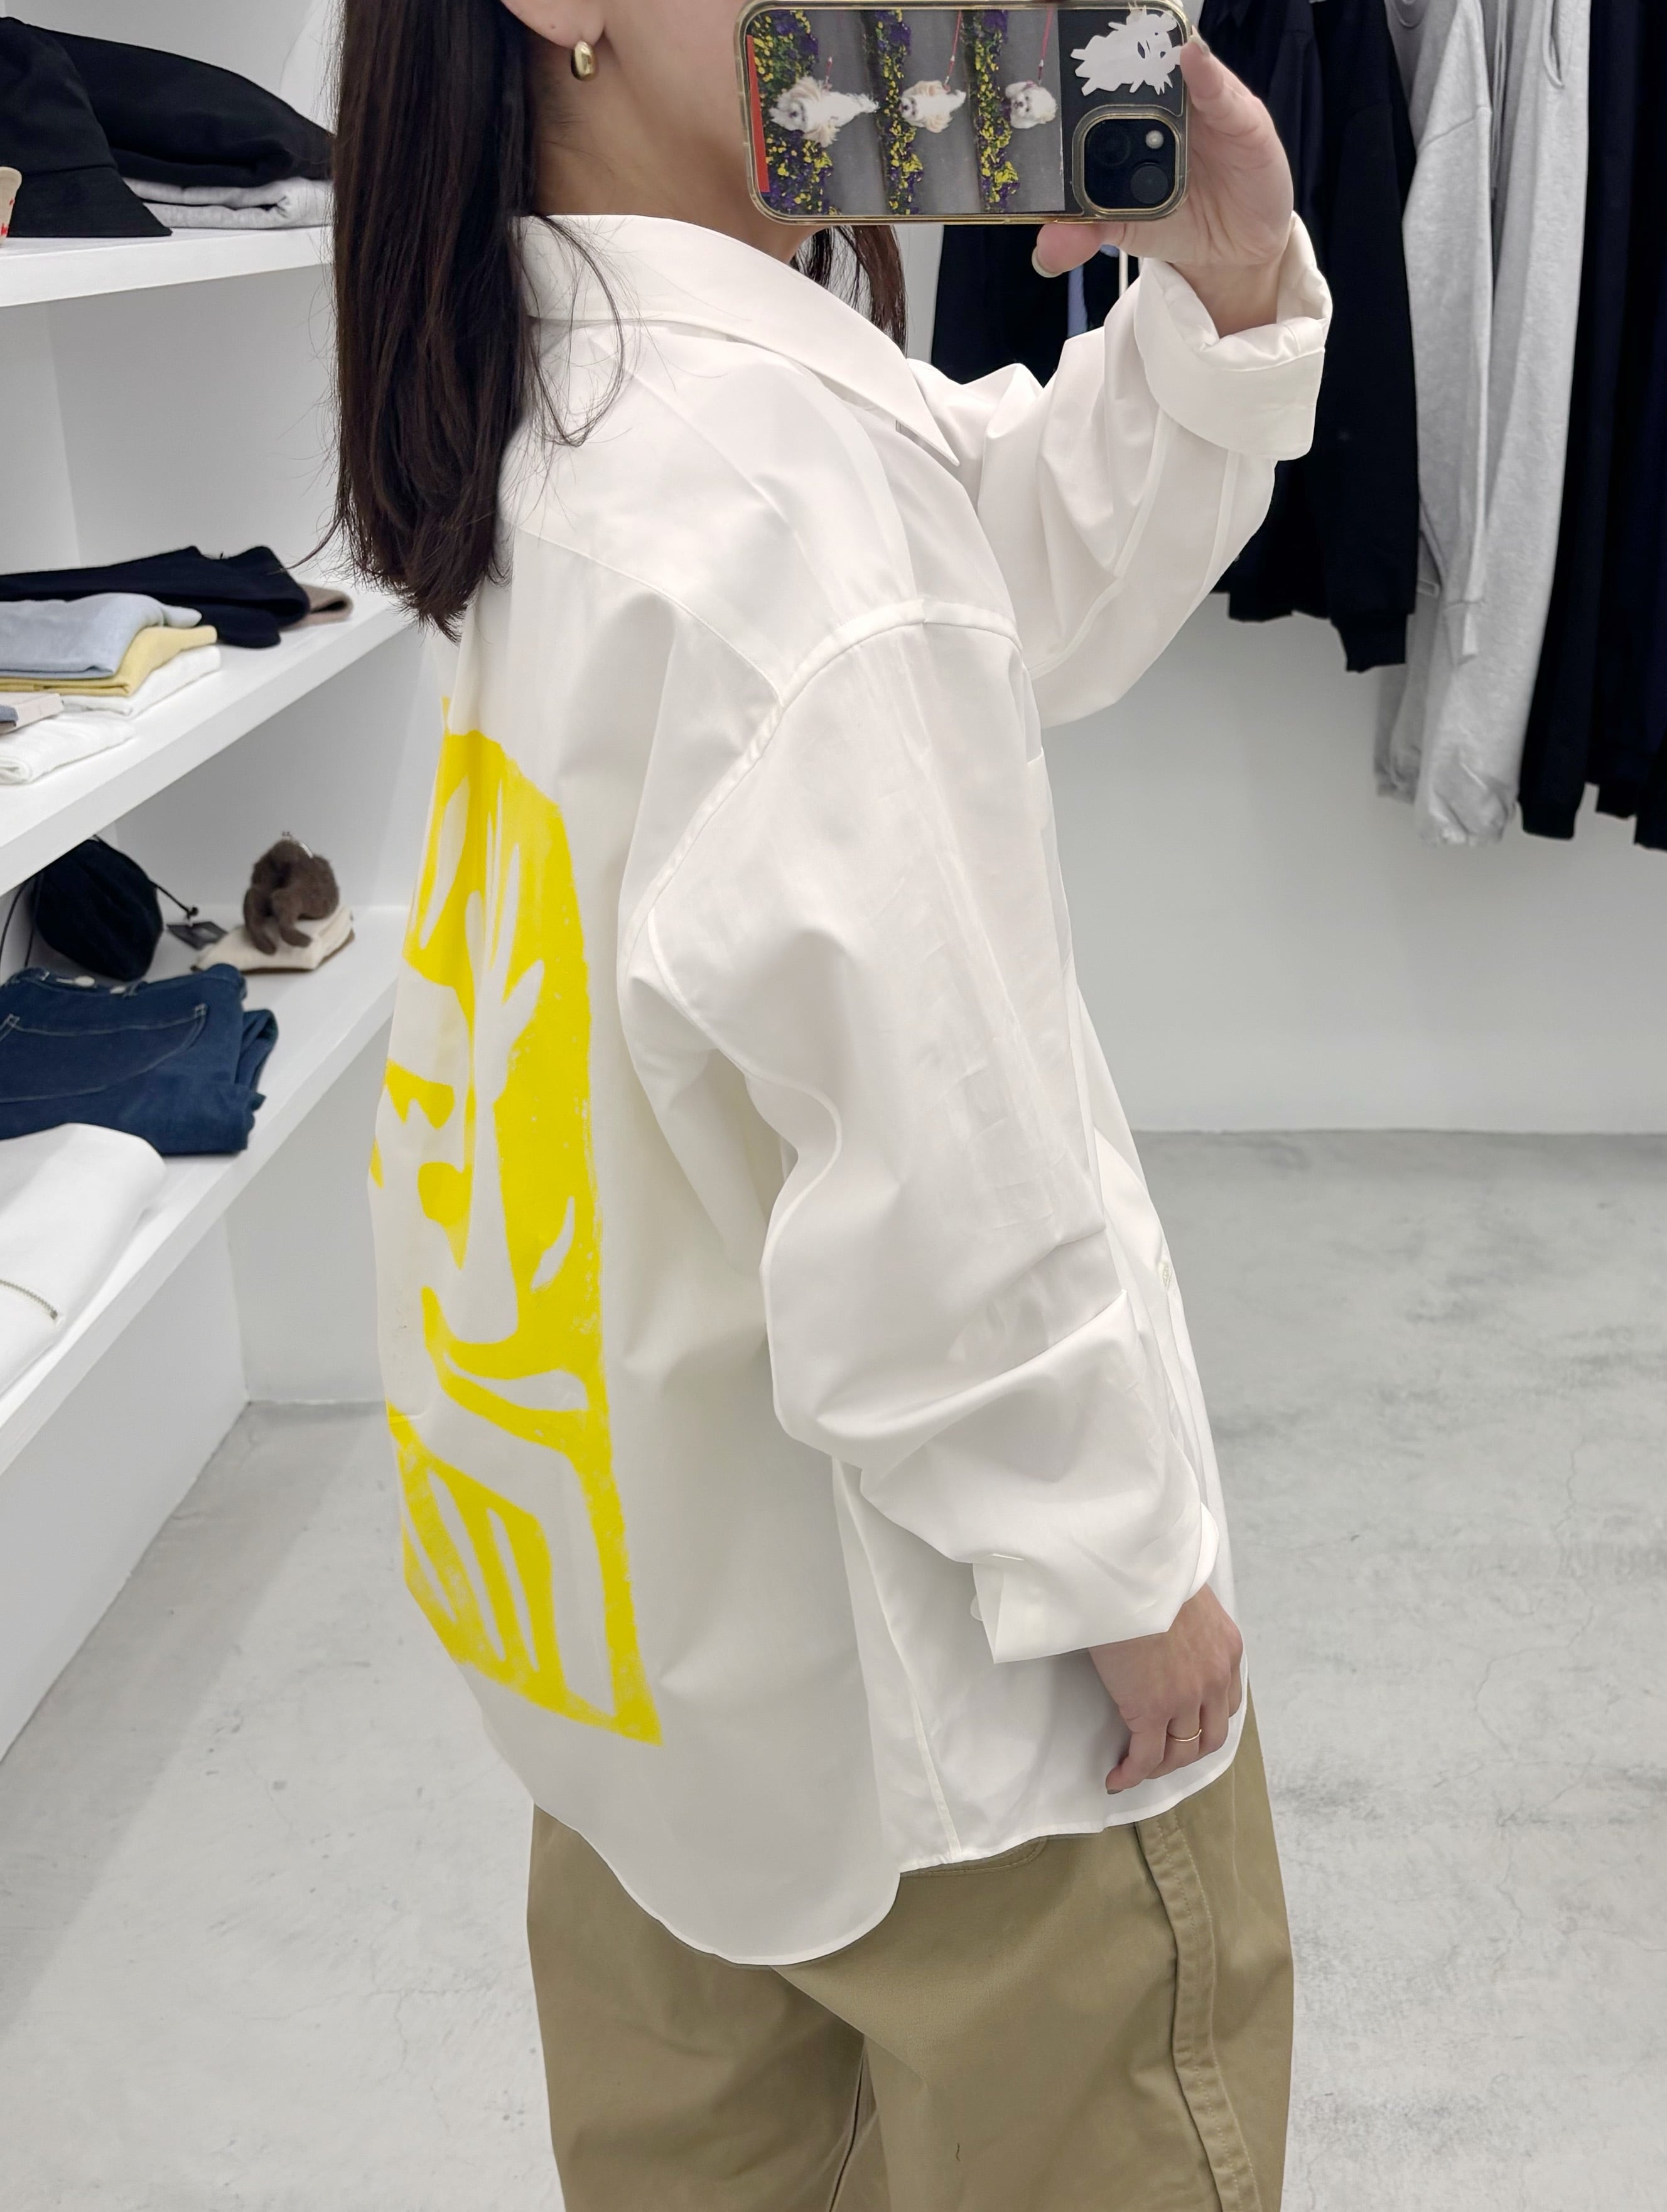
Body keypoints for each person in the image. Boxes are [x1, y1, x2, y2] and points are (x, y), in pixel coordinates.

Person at [332, 3, 1328, 2204]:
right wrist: (1117, 1556)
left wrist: (1226, 284)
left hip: (651, 1654)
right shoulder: (779, 493)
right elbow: (939, 1158)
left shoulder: (563, 388)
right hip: (943, 1726)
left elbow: (984, 571)